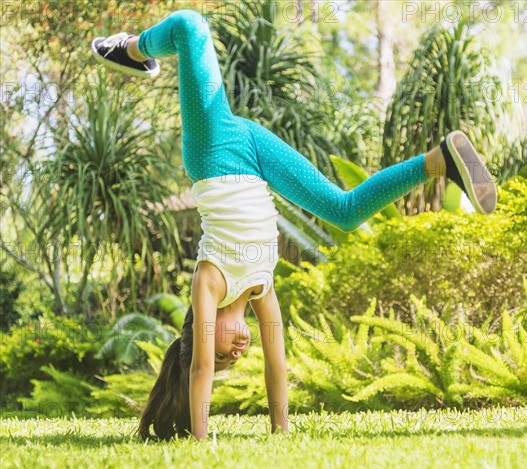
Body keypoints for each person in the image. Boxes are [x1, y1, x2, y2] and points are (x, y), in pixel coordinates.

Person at [91, 9, 497, 441]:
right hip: (255, 158)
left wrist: (200, 438)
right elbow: (276, 363)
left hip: (212, 151)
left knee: (190, 26)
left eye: (225, 353)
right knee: (344, 209)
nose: (236, 353)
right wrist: (280, 430)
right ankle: (438, 162)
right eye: (235, 360)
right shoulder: (262, 287)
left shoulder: (209, 281)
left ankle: (131, 49)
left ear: (203, 335)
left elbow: (200, 369)